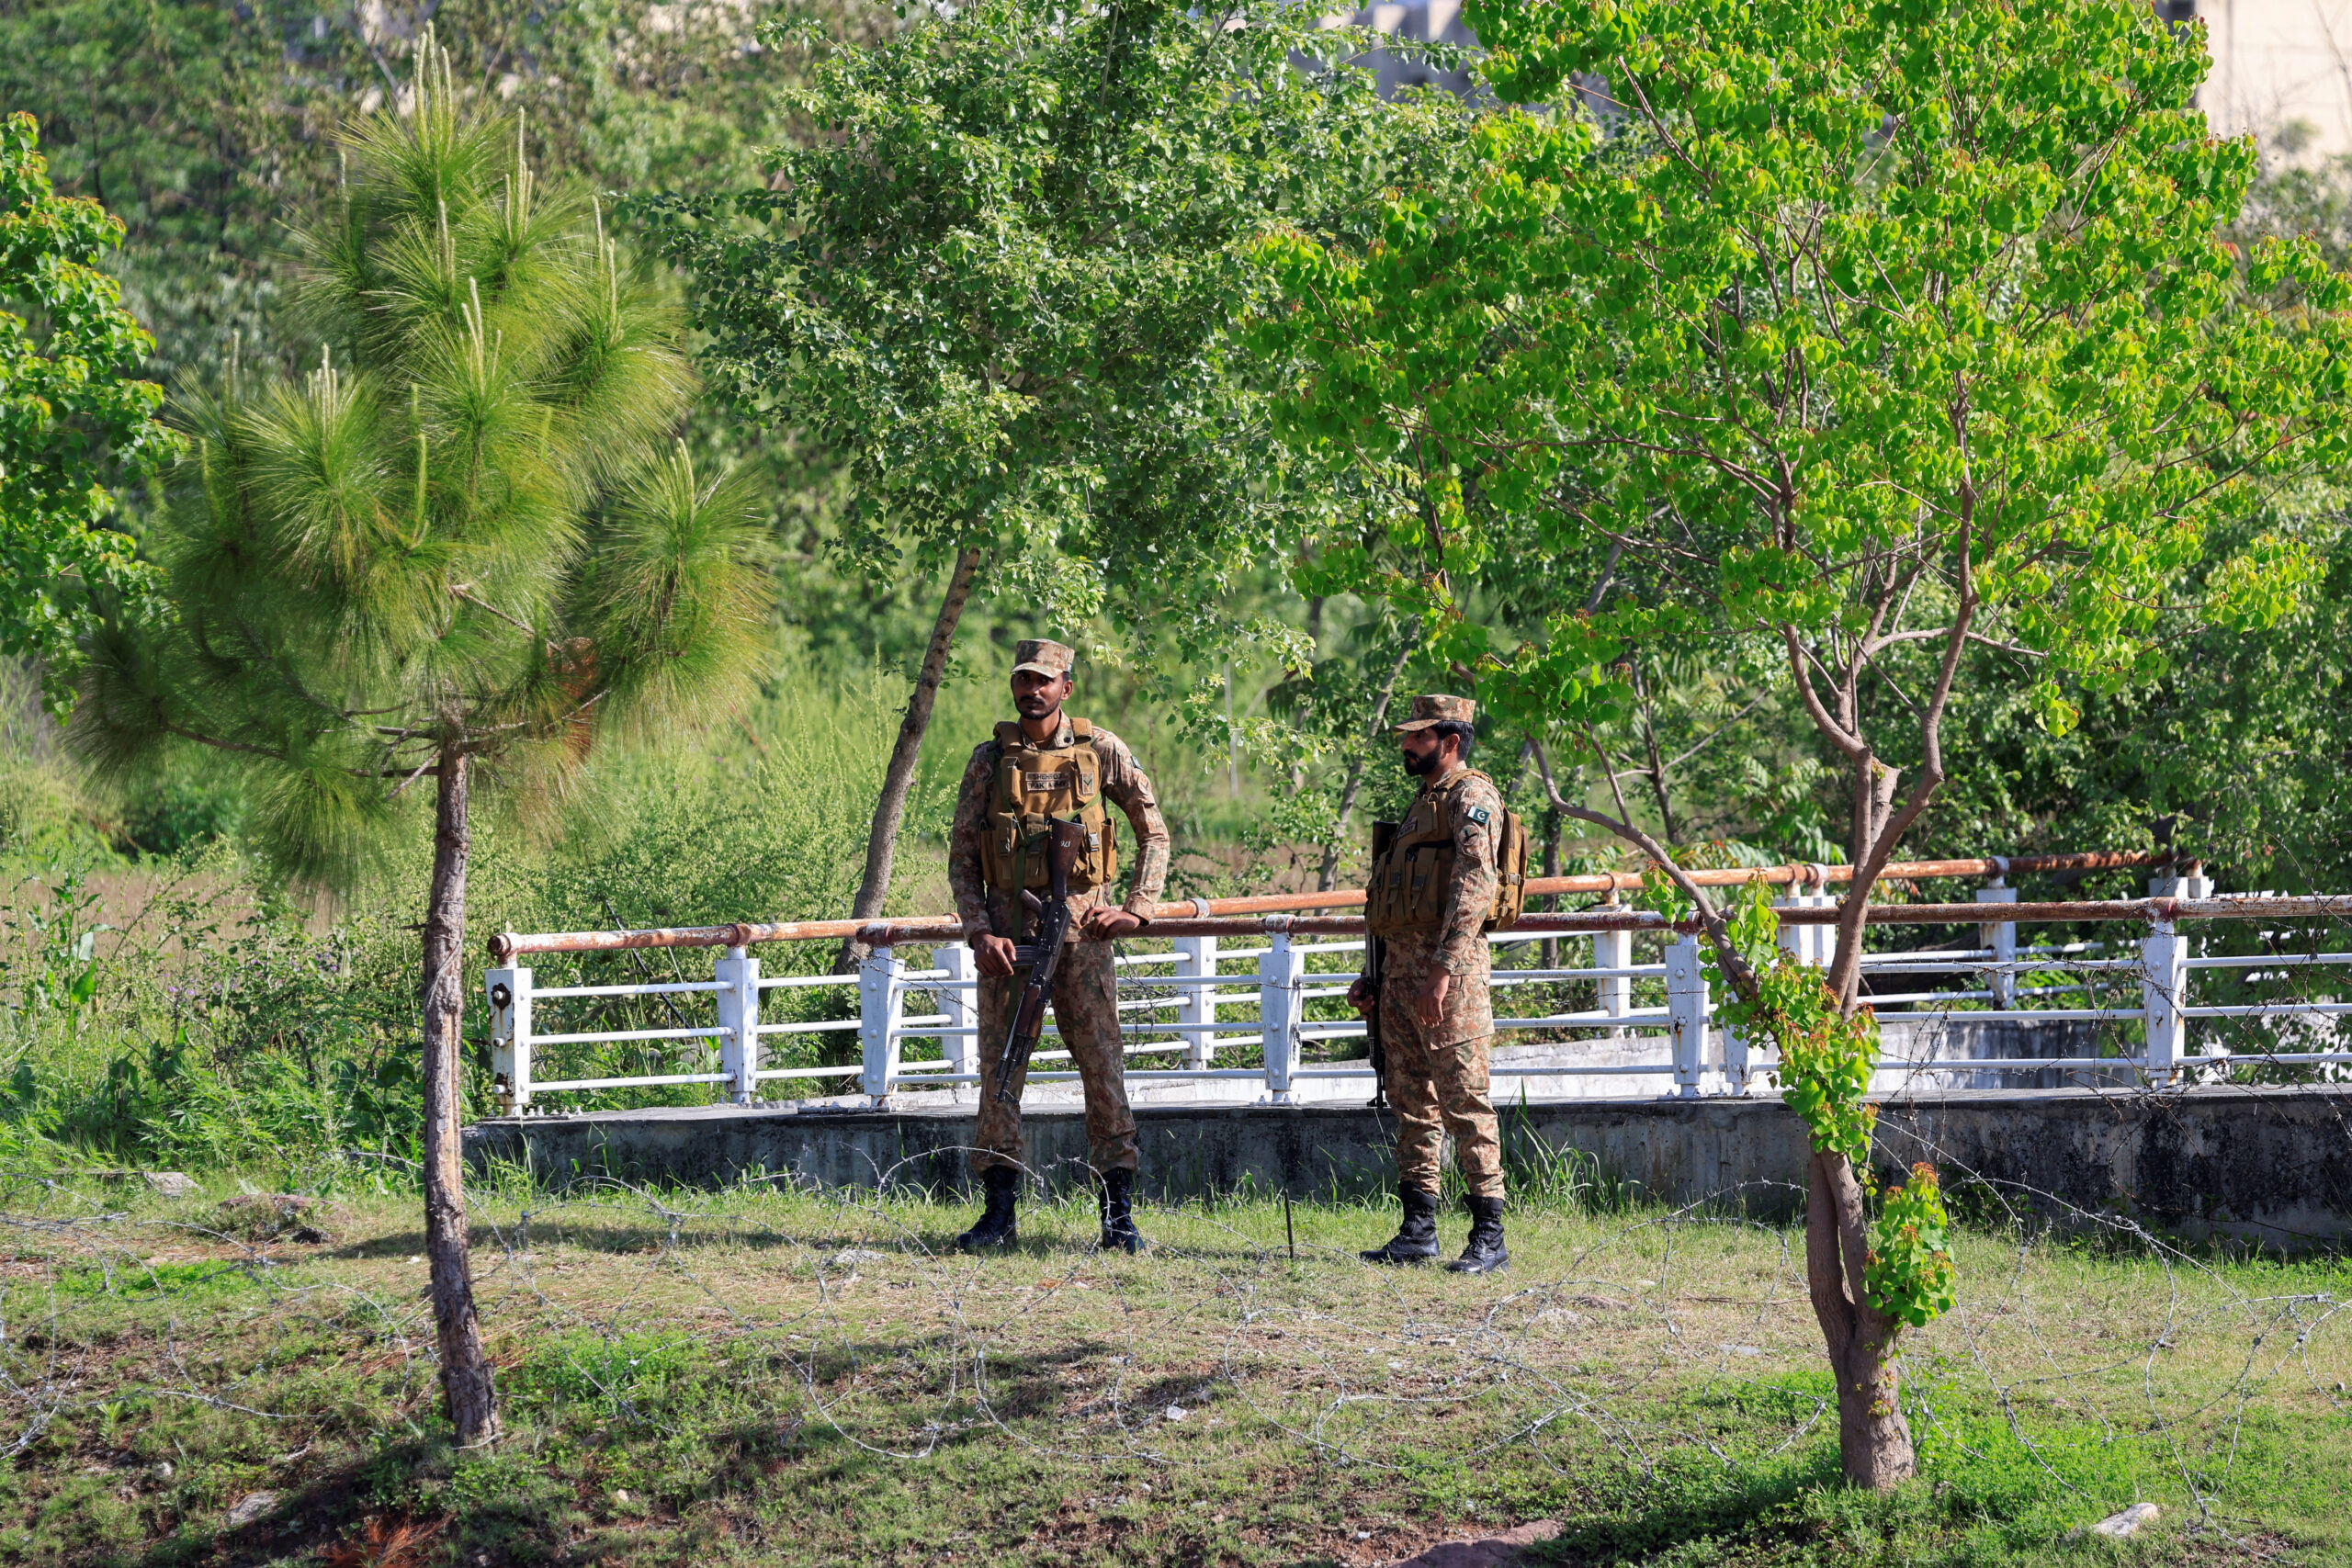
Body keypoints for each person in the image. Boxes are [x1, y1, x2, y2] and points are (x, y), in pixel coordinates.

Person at [945, 638, 1171, 1254]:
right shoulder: (989, 760)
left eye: (1045, 680)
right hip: (1009, 945)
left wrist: (1137, 909)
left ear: (1066, 686)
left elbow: (1154, 830)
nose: (1032, 690)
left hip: (1083, 939)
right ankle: (998, 1214)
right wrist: (978, 930)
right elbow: (962, 860)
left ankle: (1117, 1216)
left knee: (1103, 1072)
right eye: (1024, 679)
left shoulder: (1101, 750)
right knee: (1002, 1073)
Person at [1348, 694, 1510, 1275]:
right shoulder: (1424, 804)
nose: (1406, 746)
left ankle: (1489, 1234)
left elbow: (1474, 889)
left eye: (1418, 737)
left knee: (1465, 1101)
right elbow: (1392, 901)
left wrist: (1440, 972)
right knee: (1412, 1103)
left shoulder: (1473, 797)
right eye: (1407, 736)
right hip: (1400, 974)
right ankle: (1418, 1229)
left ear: (1451, 741)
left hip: (1452, 976)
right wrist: (1375, 973)